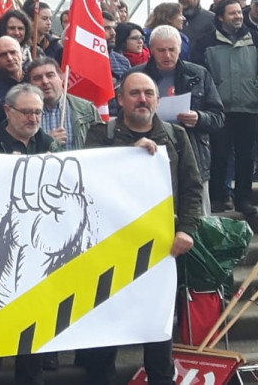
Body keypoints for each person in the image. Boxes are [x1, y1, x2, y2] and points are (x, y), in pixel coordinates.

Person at [77, 72, 203, 385]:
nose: (142, 99)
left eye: (148, 93)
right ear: (120, 99)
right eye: (134, 93)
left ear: (158, 100)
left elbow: (192, 188)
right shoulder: (100, 133)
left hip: (161, 251)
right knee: (104, 340)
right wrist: (133, 152)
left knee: (158, 336)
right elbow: (86, 183)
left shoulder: (175, 136)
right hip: (109, 252)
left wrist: (187, 229)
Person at [0, 83, 62, 385]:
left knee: (33, 339)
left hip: (37, 255)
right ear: (8, 111)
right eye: (27, 112)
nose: (33, 118)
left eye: (38, 112)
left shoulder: (49, 145)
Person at [129, 25, 223, 214]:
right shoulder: (136, 76)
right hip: (150, 154)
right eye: (161, 50)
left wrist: (199, 117)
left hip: (193, 154)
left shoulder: (199, 74)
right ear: (151, 49)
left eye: (172, 49)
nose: (167, 55)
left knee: (197, 216)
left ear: (179, 49)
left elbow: (218, 116)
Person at [191, 0, 258, 216]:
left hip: (247, 107)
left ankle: (243, 198)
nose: (238, 17)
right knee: (219, 155)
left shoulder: (257, 40)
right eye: (232, 13)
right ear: (221, 17)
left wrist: (256, 89)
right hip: (218, 110)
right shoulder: (205, 42)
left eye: (239, 13)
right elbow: (199, 73)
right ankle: (219, 197)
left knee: (245, 156)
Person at [26, 57, 101, 152]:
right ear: (30, 84)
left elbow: (101, 146)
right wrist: (46, 142)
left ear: (61, 78)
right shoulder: (23, 114)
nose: (45, 81)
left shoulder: (86, 109)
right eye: (38, 78)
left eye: (50, 75)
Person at [102, 11, 133, 81]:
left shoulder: (123, 62)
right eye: (106, 28)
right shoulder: (82, 61)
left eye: (113, 28)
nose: (113, 33)